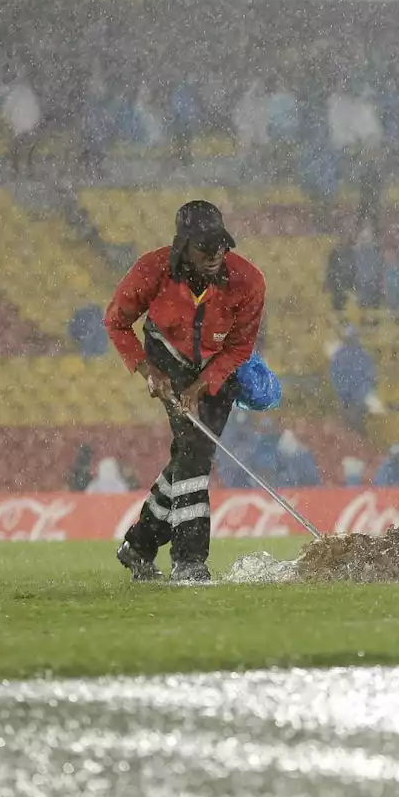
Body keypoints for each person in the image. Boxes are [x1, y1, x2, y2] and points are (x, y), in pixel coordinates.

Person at [104, 200, 265, 583]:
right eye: (204, 248)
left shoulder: (250, 281)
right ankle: (189, 560)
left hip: (218, 369)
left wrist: (202, 385)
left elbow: (240, 347)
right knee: (195, 455)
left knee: (189, 457)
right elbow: (116, 322)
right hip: (167, 358)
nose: (214, 256)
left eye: (221, 247)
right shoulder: (151, 270)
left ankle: (139, 546)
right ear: (182, 246)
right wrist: (147, 370)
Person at [329, 326, 376, 433]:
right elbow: (370, 377)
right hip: (353, 399)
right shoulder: (362, 355)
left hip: (351, 399)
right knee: (351, 427)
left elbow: (334, 375)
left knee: (350, 427)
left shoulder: (340, 355)